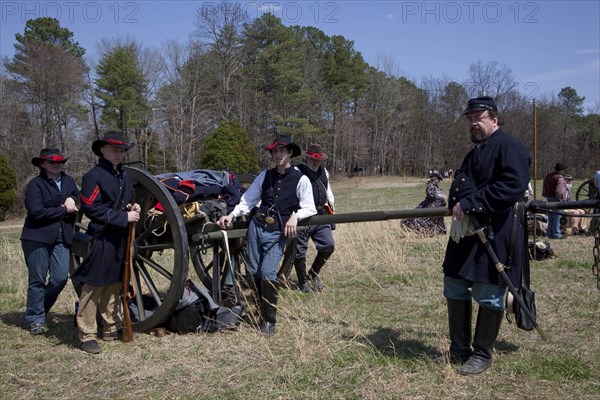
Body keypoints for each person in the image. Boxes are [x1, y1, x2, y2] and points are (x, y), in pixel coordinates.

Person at [436, 96, 531, 375]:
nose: (473, 123)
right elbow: (461, 185)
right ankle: (459, 349)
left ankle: (482, 353)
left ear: (495, 119)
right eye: (469, 119)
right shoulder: (474, 152)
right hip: (466, 232)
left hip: (495, 232)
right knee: (454, 284)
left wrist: (469, 204)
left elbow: (511, 187)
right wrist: (462, 203)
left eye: (479, 118)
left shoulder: (510, 148)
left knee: (489, 293)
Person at [217, 134, 316, 336]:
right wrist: (232, 214)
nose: (278, 155)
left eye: (282, 151)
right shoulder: (265, 176)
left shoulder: (301, 179)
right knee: (253, 272)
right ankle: (261, 312)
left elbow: (310, 207)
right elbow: (248, 200)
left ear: (289, 154)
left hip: (278, 232)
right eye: (275, 152)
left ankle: (270, 321)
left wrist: (295, 216)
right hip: (257, 227)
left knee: (268, 272)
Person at [71, 132, 140, 354]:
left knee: (114, 283)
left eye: (121, 151)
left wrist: (133, 209)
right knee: (94, 284)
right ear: (102, 150)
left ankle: (111, 326)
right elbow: (92, 208)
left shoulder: (124, 176)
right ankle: (87, 334)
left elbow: (125, 202)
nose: (119, 154)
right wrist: (123, 217)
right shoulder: (93, 175)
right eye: (114, 150)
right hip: (102, 235)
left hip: (120, 236)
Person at [21, 149, 80, 335]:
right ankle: (36, 319)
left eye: (60, 162)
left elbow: (80, 201)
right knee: (37, 279)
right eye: (52, 162)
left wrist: (73, 199)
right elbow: (36, 212)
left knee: (60, 278)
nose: (57, 164)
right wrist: (64, 210)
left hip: (63, 237)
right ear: (42, 164)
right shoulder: (35, 185)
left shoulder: (69, 182)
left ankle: (39, 309)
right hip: (37, 236)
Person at [293, 144, 336, 293]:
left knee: (328, 245)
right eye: (312, 159)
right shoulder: (296, 172)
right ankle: (303, 282)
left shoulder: (324, 171)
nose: (315, 162)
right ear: (307, 157)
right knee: (299, 252)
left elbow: (328, 191)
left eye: (317, 160)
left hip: (320, 215)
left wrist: (332, 211)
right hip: (302, 216)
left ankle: (314, 273)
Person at [401, 170, 448, 236]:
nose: (439, 181)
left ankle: (437, 232)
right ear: (435, 179)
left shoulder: (436, 187)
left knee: (436, 220)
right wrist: (442, 197)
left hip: (437, 206)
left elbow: (441, 195)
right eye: (438, 179)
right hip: (430, 206)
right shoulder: (430, 186)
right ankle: (424, 232)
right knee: (422, 218)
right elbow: (431, 194)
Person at [541, 162, 567, 239]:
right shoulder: (560, 178)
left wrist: (545, 194)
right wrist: (560, 199)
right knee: (557, 216)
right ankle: (556, 234)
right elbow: (559, 191)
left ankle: (550, 233)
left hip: (549, 198)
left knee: (551, 216)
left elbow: (544, 185)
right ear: (562, 170)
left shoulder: (548, 176)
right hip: (556, 199)